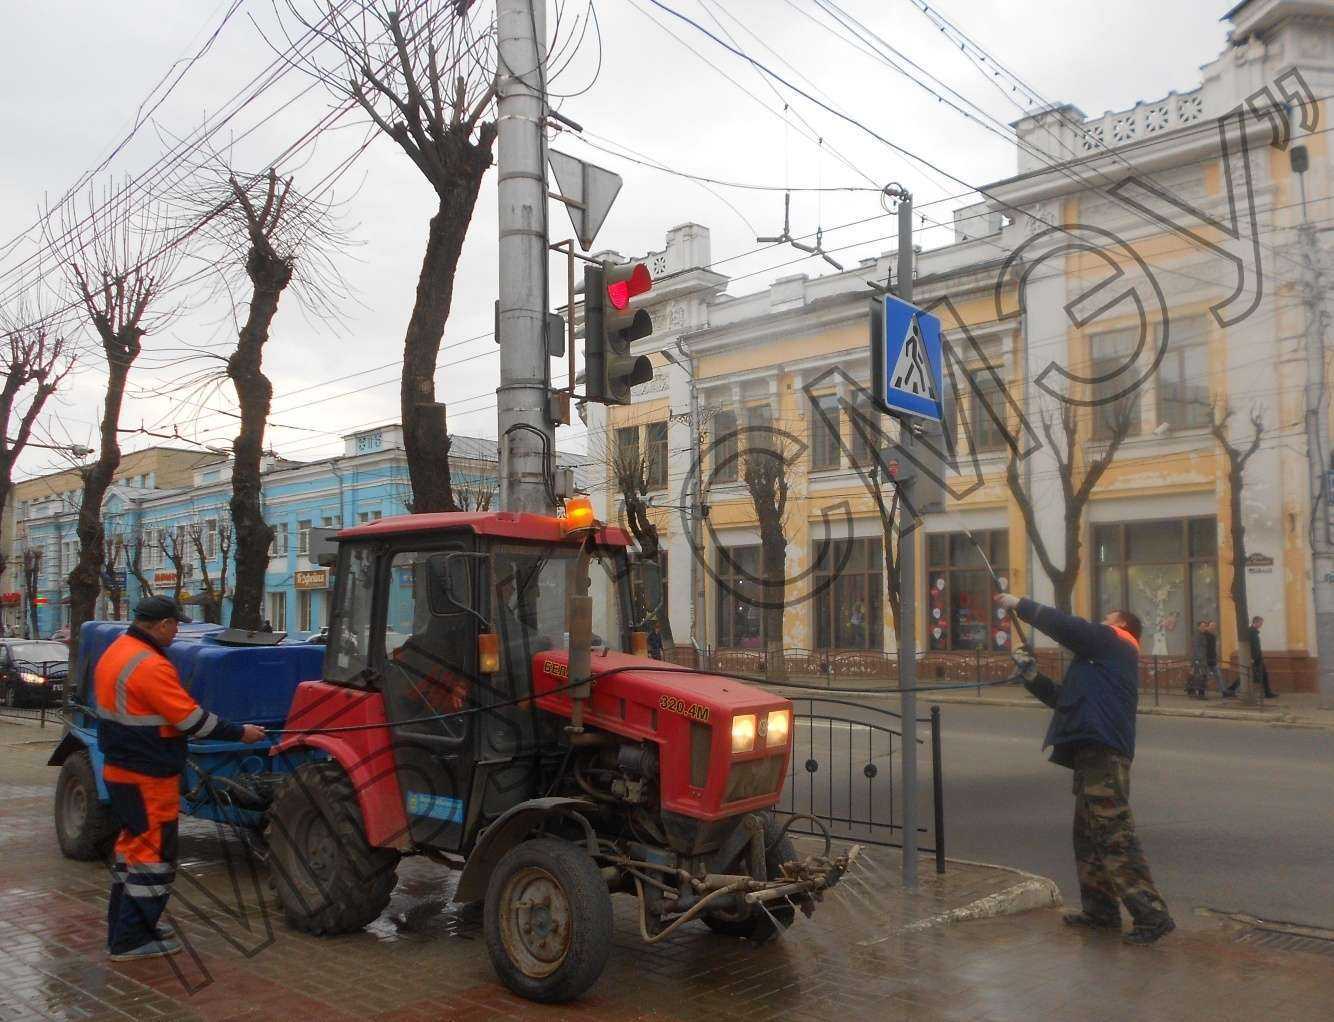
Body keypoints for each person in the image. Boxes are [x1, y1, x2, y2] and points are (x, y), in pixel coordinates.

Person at [998, 591, 1175, 945]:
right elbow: (1066, 701)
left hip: (1103, 752)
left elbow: (1068, 627)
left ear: (1122, 623)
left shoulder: (1116, 641)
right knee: (1089, 836)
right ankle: (1100, 912)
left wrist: (1021, 604)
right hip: (1092, 751)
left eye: (1107, 617)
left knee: (1113, 833)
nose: (1100, 623)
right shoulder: (1099, 662)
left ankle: (1152, 915)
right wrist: (1033, 677)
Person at [95, 596, 265, 962]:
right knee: (154, 858)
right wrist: (242, 733)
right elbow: (191, 721)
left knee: (132, 853)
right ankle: (130, 940)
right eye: (176, 624)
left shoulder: (117, 650)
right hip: (147, 775)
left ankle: (125, 931)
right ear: (160, 625)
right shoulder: (150, 665)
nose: (178, 631)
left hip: (123, 769)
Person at [1249, 615, 1277, 699]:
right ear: (1256, 622)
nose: (1261, 624)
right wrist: (1253, 658)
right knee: (1248, 675)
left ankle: (1268, 693)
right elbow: (1253, 646)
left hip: (1257, 657)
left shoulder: (1254, 631)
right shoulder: (1252, 632)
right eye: (1260, 623)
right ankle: (1232, 689)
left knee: (1262, 675)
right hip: (1255, 658)